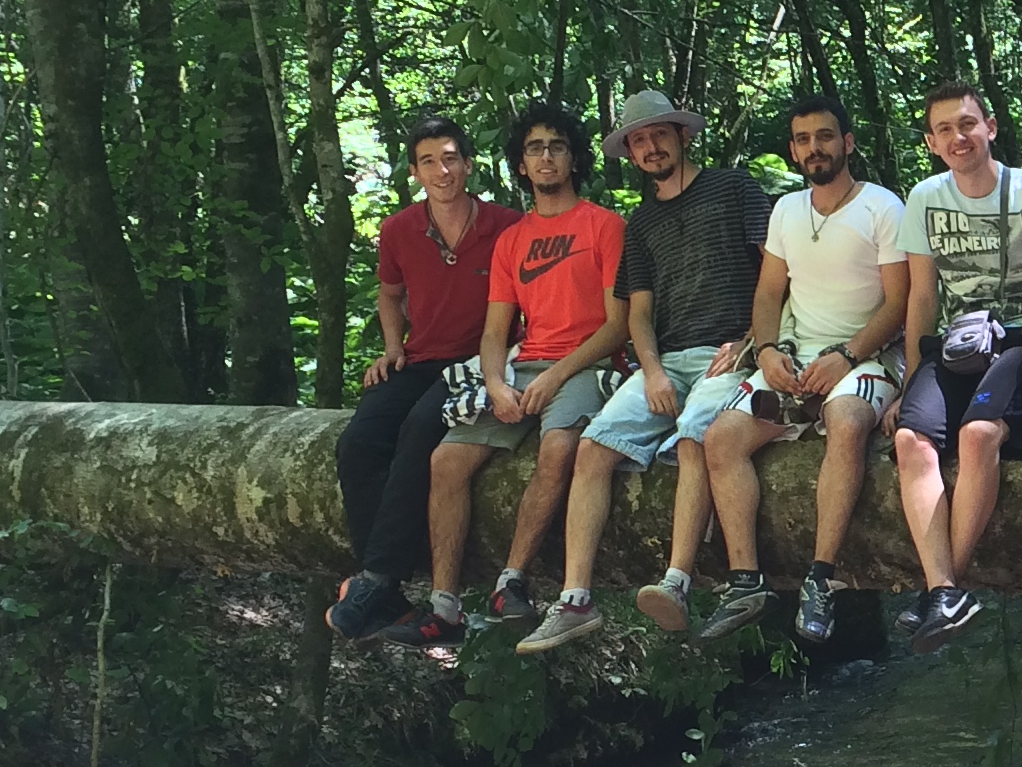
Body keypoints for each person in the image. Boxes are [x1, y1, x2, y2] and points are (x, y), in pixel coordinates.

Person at [642, 92, 911, 647]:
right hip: (792, 363)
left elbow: (899, 302)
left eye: (826, 137)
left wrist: (849, 355)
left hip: (866, 359)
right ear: (792, 151)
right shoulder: (787, 210)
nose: (816, 149)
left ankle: (821, 577)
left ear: (847, 143)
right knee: (722, 439)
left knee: (846, 420)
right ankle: (745, 581)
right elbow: (768, 293)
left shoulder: (883, 206)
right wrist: (765, 350)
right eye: (805, 140)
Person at [518, 89, 772, 654]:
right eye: (638, 140)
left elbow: (774, 274)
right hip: (667, 360)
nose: (650, 146)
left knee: (694, 439)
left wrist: (754, 343)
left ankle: (676, 581)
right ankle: (575, 600)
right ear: (629, 152)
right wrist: (652, 371)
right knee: (592, 447)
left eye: (659, 134)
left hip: (730, 354)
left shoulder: (735, 190)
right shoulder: (640, 223)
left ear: (683, 135)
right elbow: (638, 313)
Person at [412, 102, 625, 643]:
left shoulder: (605, 226)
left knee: (559, 450)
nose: (546, 157)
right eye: (534, 149)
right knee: (446, 460)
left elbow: (617, 325)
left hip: (586, 364)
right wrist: (495, 384)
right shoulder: (512, 239)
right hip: (521, 366)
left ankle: (513, 580)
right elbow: (494, 331)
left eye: (556, 146)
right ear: (521, 165)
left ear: (573, 158)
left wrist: (556, 378)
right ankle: (445, 604)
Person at [889, 81, 1022, 652]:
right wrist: (906, 384)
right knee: (909, 441)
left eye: (968, 124)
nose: (959, 137)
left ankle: (941, 593)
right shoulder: (924, 198)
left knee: (978, 435)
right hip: (955, 345)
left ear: (990, 128)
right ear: (931, 141)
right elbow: (921, 299)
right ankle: (945, 591)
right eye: (945, 129)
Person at [329, 116, 521, 643]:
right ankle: (385, 593)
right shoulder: (397, 230)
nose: (443, 170)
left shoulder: (506, 224)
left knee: (419, 430)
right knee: (358, 444)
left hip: (482, 360)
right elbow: (390, 294)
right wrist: (392, 348)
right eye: (430, 161)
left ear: (468, 163)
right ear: (415, 171)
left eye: (452, 157)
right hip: (419, 360)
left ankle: (375, 579)